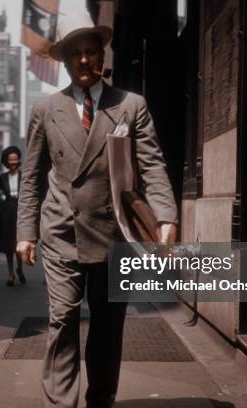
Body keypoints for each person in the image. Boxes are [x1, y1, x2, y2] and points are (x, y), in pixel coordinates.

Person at [16, 14, 178, 408]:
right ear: (66, 61)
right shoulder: (45, 109)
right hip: (61, 232)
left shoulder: (130, 105)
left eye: (92, 52)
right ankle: (60, 403)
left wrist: (165, 215)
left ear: (101, 56)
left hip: (114, 234)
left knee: (108, 327)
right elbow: (32, 174)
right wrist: (26, 231)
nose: (85, 61)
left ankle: (101, 398)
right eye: (77, 54)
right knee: (63, 320)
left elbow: (152, 164)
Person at [0, 146, 26, 286]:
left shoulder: (24, 176)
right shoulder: (0, 178)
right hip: (7, 213)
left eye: (15, 159)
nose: (13, 162)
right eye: (10, 159)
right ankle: (10, 274)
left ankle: (19, 269)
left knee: (19, 244)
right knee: (9, 246)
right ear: (6, 161)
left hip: (21, 212)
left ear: (18, 160)